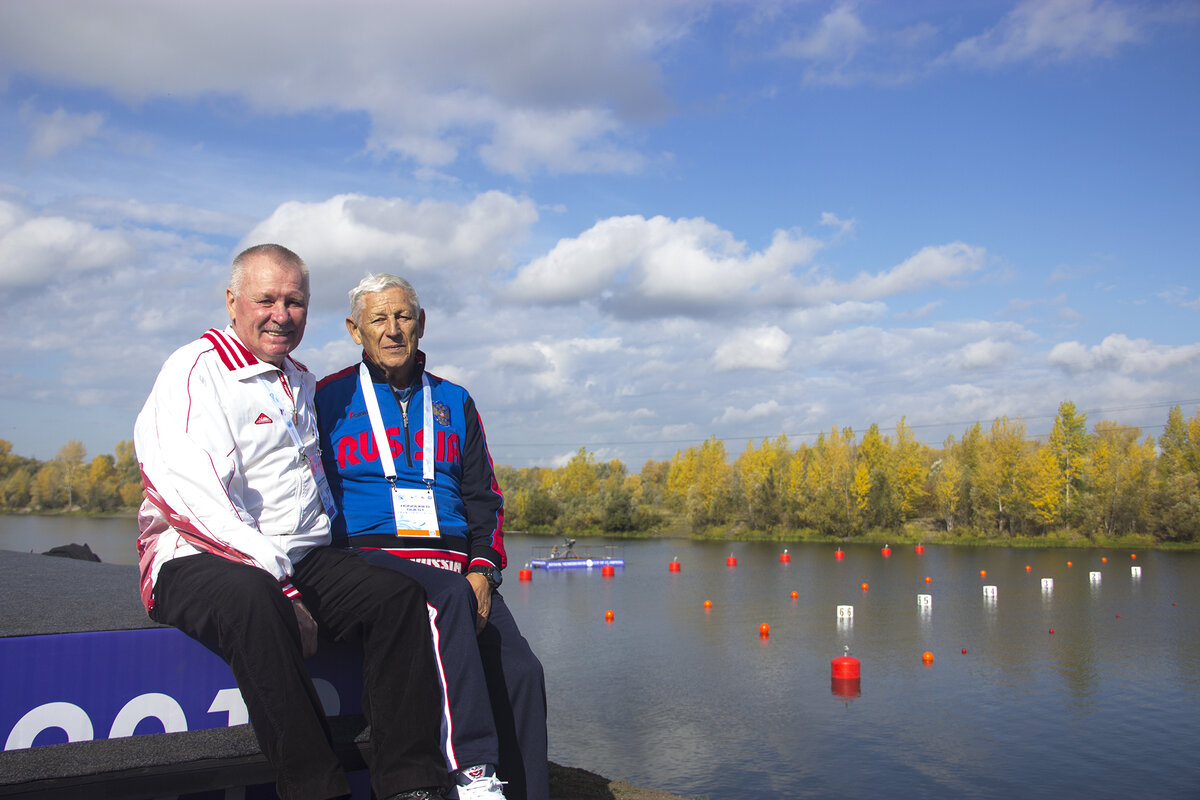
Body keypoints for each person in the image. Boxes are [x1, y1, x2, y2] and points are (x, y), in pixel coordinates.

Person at [134, 245, 448, 800]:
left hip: (297, 558)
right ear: (232, 302)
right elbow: (188, 492)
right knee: (254, 599)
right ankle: (315, 789)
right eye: (267, 299)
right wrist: (283, 582)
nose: (281, 314)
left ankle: (408, 783)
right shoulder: (195, 370)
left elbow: (314, 491)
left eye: (295, 302)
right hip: (198, 557)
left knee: (397, 598)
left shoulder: (298, 381)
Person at [315, 274, 548, 800]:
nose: (393, 330)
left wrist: (484, 569)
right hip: (375, 560)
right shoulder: (326, 397)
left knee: (523, 672)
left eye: (403, 317)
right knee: (440, 614)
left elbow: (484, 496)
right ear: (356, 330)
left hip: (457, 566)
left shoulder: (455, 400)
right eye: (379, 319)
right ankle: (473, 776)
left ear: (421, 325)